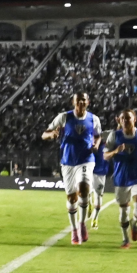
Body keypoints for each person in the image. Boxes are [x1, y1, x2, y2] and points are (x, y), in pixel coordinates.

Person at [42, 91, 101, 245]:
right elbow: (44, 134)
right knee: (72, 198)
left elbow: (98, 135)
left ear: (88, 102)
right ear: (73, 102)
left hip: (86, 159)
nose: (80, 103)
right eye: (78, 100)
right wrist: (51, 135)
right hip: (68, 161)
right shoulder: (64, 117)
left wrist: (96, 144)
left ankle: (82, 224)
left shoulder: (94, 119)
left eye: (83, 100)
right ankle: (74, 229)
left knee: (83, 189)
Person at [102, 109, 137, 248]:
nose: (126, 120)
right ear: (119, 120)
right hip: (122, 178)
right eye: (123, 118)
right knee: (124, 211)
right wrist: (115, 151)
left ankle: (135, 222)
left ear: (134, 119)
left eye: (128, 118)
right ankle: (125, 239)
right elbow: (105, 155)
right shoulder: (114, 136)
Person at [89, 129, 109, 229]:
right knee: (85, 193)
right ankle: (88, 202)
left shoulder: (107, 146)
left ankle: (95, 218)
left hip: (100, 174)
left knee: (98, 197)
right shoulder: (90, 144)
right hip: (88, 172)